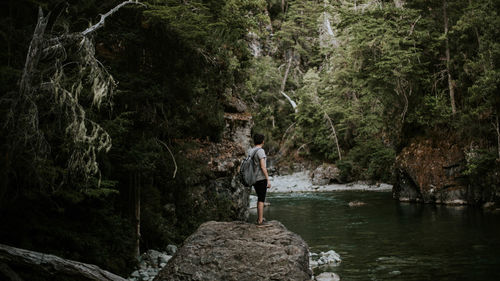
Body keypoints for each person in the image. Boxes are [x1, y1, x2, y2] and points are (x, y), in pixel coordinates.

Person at [250, 133, 271, 226]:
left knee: (259, 198)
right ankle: (260, 221)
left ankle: (259, 218)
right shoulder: (260, 151)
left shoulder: (251, 150)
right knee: (261, 199)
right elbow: (263, 167)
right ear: (262, 141)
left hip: (254, 178)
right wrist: (268, 179)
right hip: (261, 178)